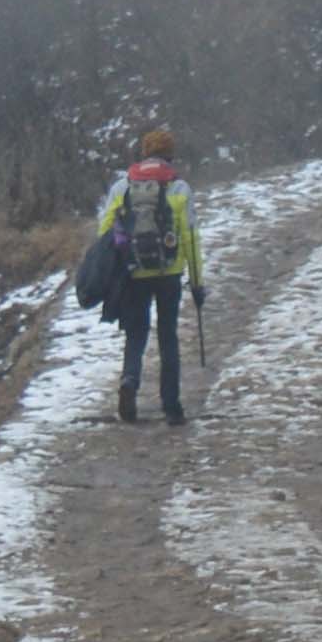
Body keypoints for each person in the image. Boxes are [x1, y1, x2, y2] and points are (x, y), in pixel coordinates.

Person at [95, 127, 210, 427]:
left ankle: (129, 383)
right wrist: (197, 282)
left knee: (136, 332)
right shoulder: (179, 188)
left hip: (133, 271)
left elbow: (106, 228)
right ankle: (171, 406)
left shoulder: (123, 186)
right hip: (169, 272)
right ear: (170, 155)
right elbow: (190, 237)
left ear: (144, 152)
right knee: (167, 336)